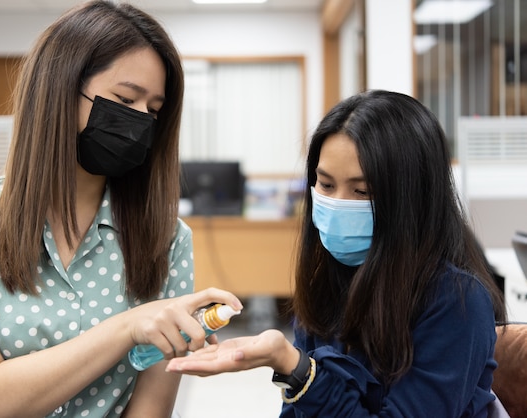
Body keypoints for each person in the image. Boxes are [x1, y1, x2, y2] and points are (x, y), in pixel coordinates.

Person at [0, 1, 242, 417]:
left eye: (153, 110)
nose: (139, 122)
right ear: (59, 91)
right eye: (124, 99)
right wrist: (126, 328)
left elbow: (150, 408)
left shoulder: (166, 239)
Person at [167, 90, 507, 417]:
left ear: (411, 199)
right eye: (326, 185)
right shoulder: (326, 286)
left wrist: (296, 368)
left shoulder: (457, 302)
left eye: (362, 191)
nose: (339, 202)